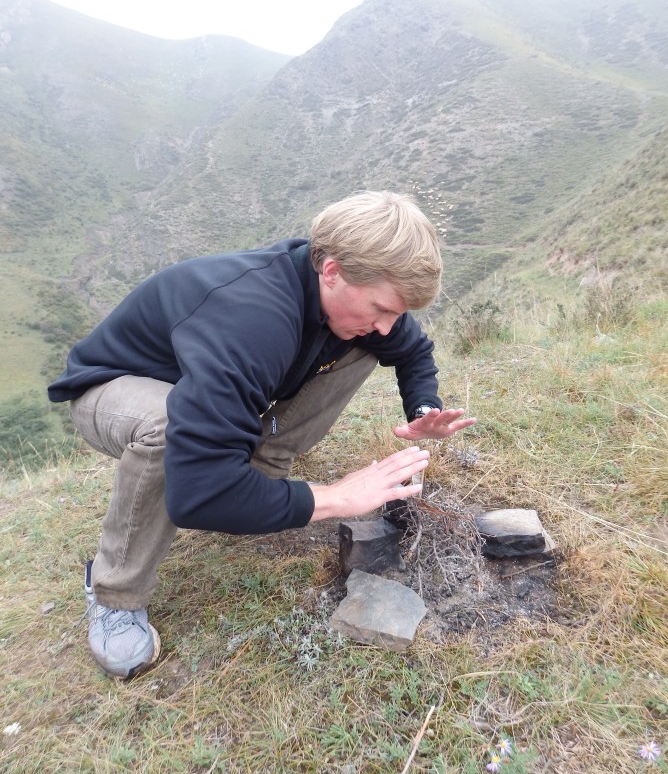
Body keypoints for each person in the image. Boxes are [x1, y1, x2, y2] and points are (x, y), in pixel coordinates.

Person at [48, 191, 476, 678]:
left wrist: (424, 408)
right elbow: (197, 495)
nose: (388, 324)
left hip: (201, 394)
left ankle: (261, 472)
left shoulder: (357, 299)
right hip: (111, 387)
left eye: (397, 313)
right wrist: (332, 498)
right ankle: (115, 594)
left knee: (363, 345)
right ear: (332, 271)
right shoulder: (253, 319)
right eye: (382, 307)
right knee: (170, 429)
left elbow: (413, 351)